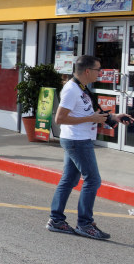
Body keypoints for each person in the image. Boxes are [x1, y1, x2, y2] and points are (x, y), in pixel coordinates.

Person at [47, 55, 133, 240]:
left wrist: (114, 117)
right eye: (97, 69)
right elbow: (59, 119)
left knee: (69, 180)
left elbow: (88, 112)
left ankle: (56, 220)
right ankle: (85, 223)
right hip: (77, 141)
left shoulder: (82, 88)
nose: (100, 73)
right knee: (93, 180)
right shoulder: (71, 89)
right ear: (87, 71)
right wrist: (91, 119)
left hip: (78, 140)